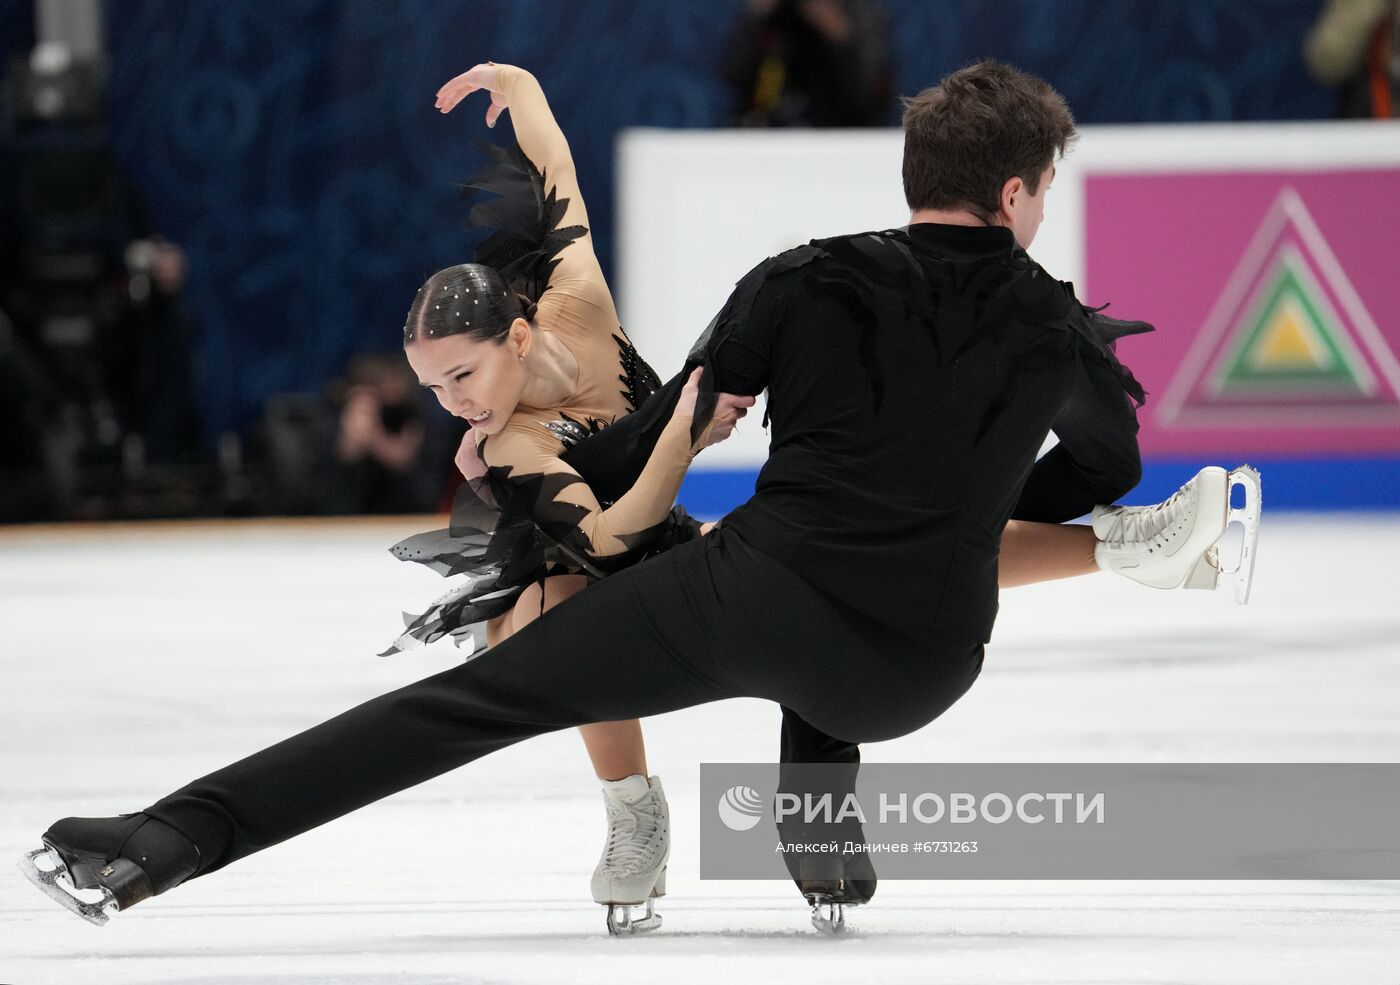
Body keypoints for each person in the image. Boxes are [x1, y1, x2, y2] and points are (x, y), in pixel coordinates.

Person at [21, 59, 1259, 935]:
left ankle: (168, 840)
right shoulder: (1064, 328)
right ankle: (819, 845)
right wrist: (948, 501)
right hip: (926, 666)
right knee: (855, 580)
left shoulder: (802, 281)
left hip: (751, 600)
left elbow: (664, 429)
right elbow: (1102, 475)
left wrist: (539, 475)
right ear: (1019, 196)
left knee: (469, 700)